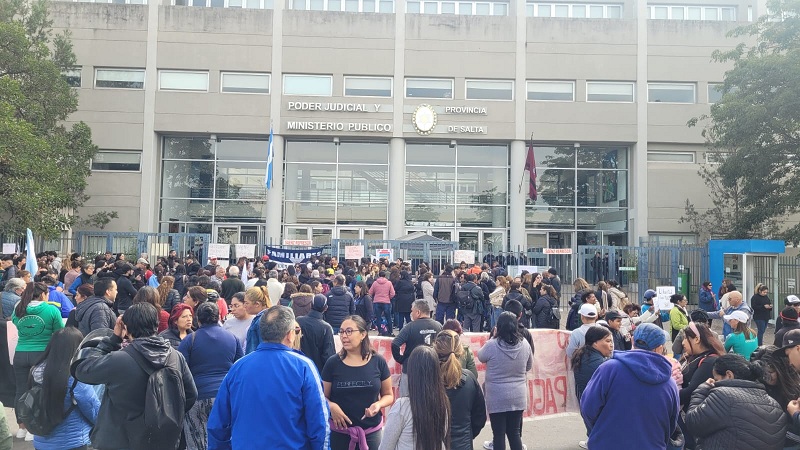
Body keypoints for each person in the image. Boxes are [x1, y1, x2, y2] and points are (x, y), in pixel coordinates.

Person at [73, 302, 198, 450]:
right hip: (161, 439)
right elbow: (190, 394)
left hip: (120, 438)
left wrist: (114, 339)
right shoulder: (175, 357)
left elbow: (81, 370)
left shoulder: (118, 360)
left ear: (125, 328)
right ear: (156, 325)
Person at [207, 306, 329, 450]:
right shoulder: (303, 366)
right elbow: (319, 422)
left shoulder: (238, 367)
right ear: (290, 334)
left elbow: (217, 424)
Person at [580, 328, 680, 450]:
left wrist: (598, 432)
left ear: (632, 340)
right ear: (660, 348)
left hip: (607, 444)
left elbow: (588, 408)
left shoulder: (609, 369)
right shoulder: (670, 384)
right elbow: (671, 424)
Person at [685, 354, 788, 450]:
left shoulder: (724, 395)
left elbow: (693, 422)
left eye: (716, 379)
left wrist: (702, 389)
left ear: (729, 375)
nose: (714, 383)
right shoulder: (775, 405)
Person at [178, 302, 243, 450]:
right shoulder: (232, 338)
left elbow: (180, 370)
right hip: (226, 396)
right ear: (219, 317)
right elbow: (240, 368)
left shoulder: (189, 340)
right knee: (226, 438)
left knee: (197, 440)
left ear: (198, 319)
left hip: (197, 396)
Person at [322, 315, 393, 450]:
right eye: (341, 331)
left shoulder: (378, 361)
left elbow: (388, 395)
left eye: (349, 331)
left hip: (371, 433)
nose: (344, 336)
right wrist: (331, 406)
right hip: (340, 434)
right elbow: (322, 396)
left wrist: (378, 405)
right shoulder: (332, 363)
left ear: (363, 334)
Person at [27, 327, 99, 450]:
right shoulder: (75, 376)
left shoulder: (35, 370)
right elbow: (93, 410)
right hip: (72, 442)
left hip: (41, 441)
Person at [12, 281, 64, 441]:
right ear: (43, 294)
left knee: (20, 390)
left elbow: (15, 323)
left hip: (20, 354)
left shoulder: (18, 308)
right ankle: (33, 428)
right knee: (39, 391)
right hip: (42, 355)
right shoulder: (51, 310)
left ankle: (21, 427)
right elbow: (60, 331)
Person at [478, 312, 533, 450]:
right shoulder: (525, 344)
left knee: (498, 434)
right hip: (518, 395)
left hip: (496, 396)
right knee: (514, 433)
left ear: (498, 327)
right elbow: (529, 366)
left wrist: (493, 336)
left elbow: (480, 356)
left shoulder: (492, 345)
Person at [379, 346, 450, 450]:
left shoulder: (402, 407)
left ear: (411, 372)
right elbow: (443, 434)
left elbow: (385, 447)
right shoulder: (443, 402)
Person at [434, 330, 486, 450]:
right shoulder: (469, 379)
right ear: (460, 351)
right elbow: (480, 416)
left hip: (435, 443)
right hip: (463, 442)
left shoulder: (428, 380)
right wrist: (468, 434)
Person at [391, 300, 442, 396]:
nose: (411, 313)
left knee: (406, 402)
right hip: (431, 368)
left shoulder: (410, 327)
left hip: (410, 369)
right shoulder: (438, 326)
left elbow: (395, 344)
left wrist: (401, 359)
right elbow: (444, 346)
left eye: (412, 311)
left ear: (418, 312)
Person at [298, 294, 336, 375]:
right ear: (325, 308)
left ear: (311, 304)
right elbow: (328, 354)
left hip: (298, 367)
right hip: (317, 371)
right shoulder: (326, 328)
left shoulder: (298, 321)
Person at [571, 325, 611, 401]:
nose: (611, 345)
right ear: (595, 342)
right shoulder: (600, 364)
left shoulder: (584, 355)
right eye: (608, 341)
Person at [243, 286, 271, 353]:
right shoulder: (271, 316)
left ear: (257, 304)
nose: (244, 306)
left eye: (246, 303)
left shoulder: (260, 321)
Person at [369, 271, 396, 335]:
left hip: (377, 301)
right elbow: (393, 293)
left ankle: (380, 332)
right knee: (388, 317)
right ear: (385, 276)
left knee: (378, 317)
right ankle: (390, 332)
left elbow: (370, 292)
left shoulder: (375, 283)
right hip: (386, 301)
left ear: (379, 275)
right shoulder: (389, 283)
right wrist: (389, 297)